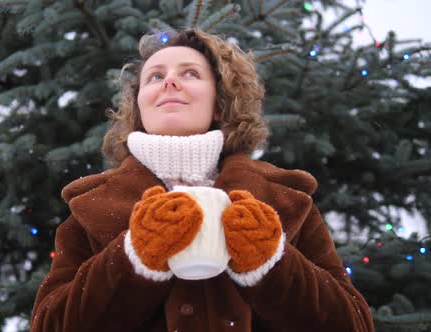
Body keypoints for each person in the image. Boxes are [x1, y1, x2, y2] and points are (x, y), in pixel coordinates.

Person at [29, 29, 375, 332]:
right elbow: (49, 324)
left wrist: (271, 263)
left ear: (220, 105)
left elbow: (353, 324)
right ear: (139, 106)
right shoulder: (89, 208)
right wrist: (134, 256)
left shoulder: (286, 199)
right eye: (154, 76)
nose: (169, 81)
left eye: (190, 73)